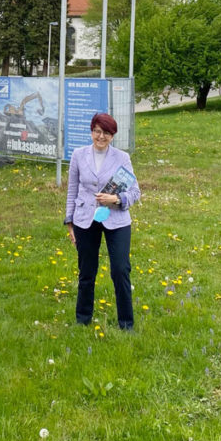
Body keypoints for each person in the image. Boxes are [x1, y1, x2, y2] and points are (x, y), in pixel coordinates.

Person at [64, 112, 140, 331]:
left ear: (113, 136)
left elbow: (135, 192)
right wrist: (70, 222)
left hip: (116, 220)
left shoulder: (122, 158)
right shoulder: (78, 155)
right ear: (91, 131)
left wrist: (116, 199)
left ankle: (126, 324)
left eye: (106, 133)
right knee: (86, 271)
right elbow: (72, 190)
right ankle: (82, 319)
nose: (101, 136)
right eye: (97, 131)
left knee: (120, 269)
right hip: (85, 220)